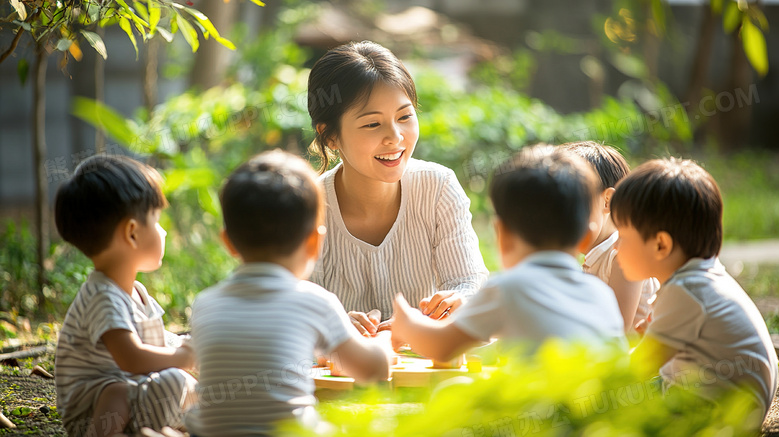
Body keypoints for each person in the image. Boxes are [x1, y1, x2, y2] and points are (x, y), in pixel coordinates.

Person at [185, 150, 392, 436]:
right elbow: (373, 370)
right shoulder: (314, 301)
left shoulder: (205, 303)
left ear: (228, 242)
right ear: (314, 241)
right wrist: (385, 338)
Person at [307, 40, 489, 336]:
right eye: (372, 125)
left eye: (405, 117)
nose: (395, 137)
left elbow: (470, 284)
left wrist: (458, 302)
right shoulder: (305, 208)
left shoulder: (438, 188)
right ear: (330, 137)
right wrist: (329, 326)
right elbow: (289, 312)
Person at [391, 146, 626, 361]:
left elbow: (440, 347)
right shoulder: (601, 294)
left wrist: (406, 322)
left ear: (502, 236)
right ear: (585, 236)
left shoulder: (508, 288)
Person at [613, 158, 778, 419]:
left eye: (621, 237)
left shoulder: (686, 293)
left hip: (715, 416)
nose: (615, 247)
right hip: (727, 407)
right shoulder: (699, 280)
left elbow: (637, 369)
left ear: (660, 245)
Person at [53, 155, 196, 437]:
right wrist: (182, 357)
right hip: (92, 415)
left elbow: (154, 340)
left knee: (185, 383)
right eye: (156, 220)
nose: (163, 230)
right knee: (172, 381)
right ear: (131, 233)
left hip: (132, 396)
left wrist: (187, 346)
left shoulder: (134, 292)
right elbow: (132, 357)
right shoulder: (102, 296)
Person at [563, 141, 659, 333]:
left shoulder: (621, 255)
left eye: (571, 205)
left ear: (607, 201)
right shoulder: (594, 256)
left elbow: (618, 326)